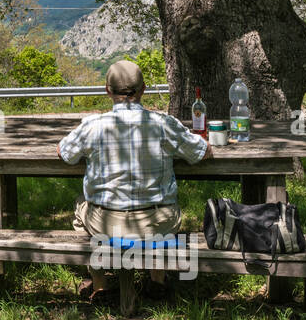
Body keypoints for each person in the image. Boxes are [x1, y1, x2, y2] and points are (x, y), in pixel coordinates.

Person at [57, 59, 212, 301]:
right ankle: (157, 281)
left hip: (106, 225)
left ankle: (100, 285)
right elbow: (202, 152)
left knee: (81, 205)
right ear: (143, 89)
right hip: (156, 225)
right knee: (166, 208)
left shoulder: (93, 125)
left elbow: (64, 153)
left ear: (107, 90)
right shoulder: (164, 124)